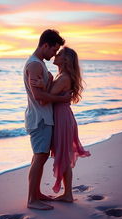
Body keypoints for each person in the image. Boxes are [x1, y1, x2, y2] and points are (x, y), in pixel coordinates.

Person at [32, 46, 91, 203]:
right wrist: (47, 83)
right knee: (62, 154)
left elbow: (46, 98)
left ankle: (68, 194)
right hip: (61, 116)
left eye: (58, 54)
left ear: (64, 60)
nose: (54, 56)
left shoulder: (64, 78)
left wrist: (43, 87)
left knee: (63, 154)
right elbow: (50, 94)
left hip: (62, 118)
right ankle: (67, 194)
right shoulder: (61, 76)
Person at [24, 29, 71, 210]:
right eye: (53, 50)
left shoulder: (39, 64)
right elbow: (38, 96)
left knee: (40, 157)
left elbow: (43, 91)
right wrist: (63, 99)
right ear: (45, 45)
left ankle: (36, 194)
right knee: (40, 156)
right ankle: (31, 200)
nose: (53, 55)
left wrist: (48, 82)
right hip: (40, 119)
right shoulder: (35, 65)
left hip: (42, 117)